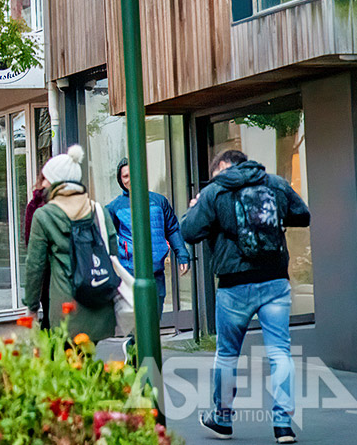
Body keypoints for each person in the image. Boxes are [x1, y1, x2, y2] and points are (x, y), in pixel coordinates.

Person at [181, 149, 310, 444]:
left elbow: (189, 231)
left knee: (227, 354)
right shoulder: (274, 183)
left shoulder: (215, 191)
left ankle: (222, 419)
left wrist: (197, 206)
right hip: (276, 280)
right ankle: (283, 426)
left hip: (234, 284)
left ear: (224, 167)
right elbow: (303, 215)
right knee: (280, 352)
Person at [22, 145, 132, 344]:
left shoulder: (45, 215)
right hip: (99, 301)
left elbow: (34, 266)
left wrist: (31, 307)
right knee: (88, 365)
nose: (42, 183)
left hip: (66, 308)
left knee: (65, 366)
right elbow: (113, 251)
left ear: (55, 181)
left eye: (46, 178)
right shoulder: (98, 210)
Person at [107, 158, 191, 307]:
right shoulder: (114, 207)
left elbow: (172, 229)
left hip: (156, 271)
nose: (130, 180)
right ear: (120, 180)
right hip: (131, 274)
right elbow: (107, 238)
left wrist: (182, 254)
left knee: (155, 319)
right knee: (135, 323)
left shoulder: (159, 201)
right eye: (125, 176)